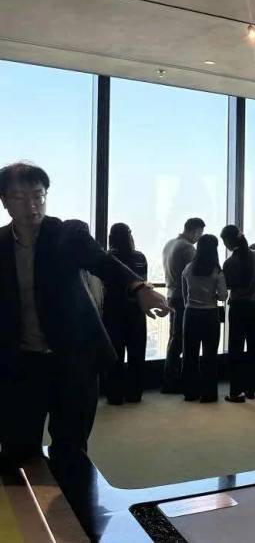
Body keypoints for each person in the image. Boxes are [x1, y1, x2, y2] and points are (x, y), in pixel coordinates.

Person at [0, 162, 169, 472]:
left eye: (38, 196)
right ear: (4, 201)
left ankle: (74, 503)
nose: (32, 206)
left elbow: (103, 262)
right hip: (22, 364)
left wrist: (139, 288)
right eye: (20, 197)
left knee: (70, 451)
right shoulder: (0, 244)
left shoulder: (67, 234)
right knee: (17, 450)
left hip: (72, 361)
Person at [103, 223, 149, 404]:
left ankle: (114, 395)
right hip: (136, 309)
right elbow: (143, 283)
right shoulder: (139, 257)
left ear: (111, 238)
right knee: (136, 353)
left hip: (112, 310)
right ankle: (134, 393)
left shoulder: (107, 258)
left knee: (115, 354)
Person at [221, 226, 255, 402]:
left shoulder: (229, 263)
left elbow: (228, 286)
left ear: (228, 242)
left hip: (238, 308)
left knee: (236, 349)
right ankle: (252, 388)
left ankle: (235, 391)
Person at [181, 235, 227, 403]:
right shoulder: (217, 271)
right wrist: (212, 295)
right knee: (210, 356)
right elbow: (223, 296)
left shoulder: (188, 268)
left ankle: (190, 392)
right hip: (210, 315)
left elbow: (184, 292)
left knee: (190, 354)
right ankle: (209, 393)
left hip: (191, 314)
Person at [162, 217, 205, 393]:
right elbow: (196, 274)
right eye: (199, 234)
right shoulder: (187, 248)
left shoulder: (169, 244)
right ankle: (172, 380)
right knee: (180, 338)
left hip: (171, 295)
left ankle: (169, 377)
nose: (199, 238)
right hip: (183, 298)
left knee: (174, 337)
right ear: (195, 231)